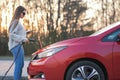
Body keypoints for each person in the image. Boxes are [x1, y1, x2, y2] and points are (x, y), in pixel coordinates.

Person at [8, 6, 29, 80]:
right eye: (23, 13)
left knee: (20, 64)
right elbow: (11, 34)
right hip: (16, 46)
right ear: (19, 12)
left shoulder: (17, 21)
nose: (24, 14)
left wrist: (26, 33)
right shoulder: (16, 21)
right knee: (19, 65)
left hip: (18, 46)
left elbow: (17, 33)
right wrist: (23, 39)